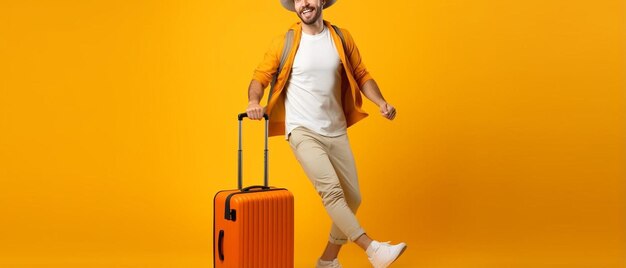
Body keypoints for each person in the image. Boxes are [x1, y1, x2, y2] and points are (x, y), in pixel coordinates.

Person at [245, 0, 406, 267]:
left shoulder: (341, 37)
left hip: (336, 130)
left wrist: (381, 103)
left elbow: (362, 74)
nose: (304, 4)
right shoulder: (284, 42)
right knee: (332, 193)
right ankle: (373, 250)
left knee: (353, 197)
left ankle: (327, 261)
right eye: (298, 0)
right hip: (302, 130)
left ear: (321, 1)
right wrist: (253, 101)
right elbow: (259, 77)